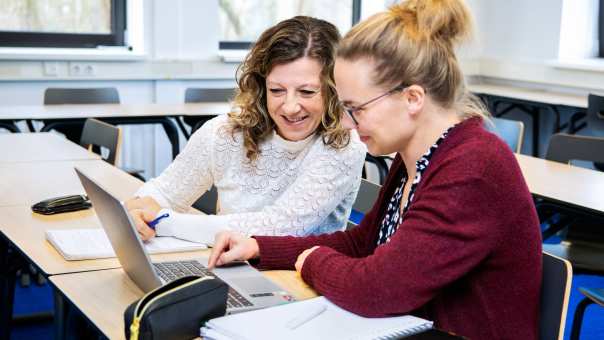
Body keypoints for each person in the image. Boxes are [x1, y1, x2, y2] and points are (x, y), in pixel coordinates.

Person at [207, 1, 542, 339]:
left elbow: (379, 288)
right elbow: (362, 243)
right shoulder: (417, 156)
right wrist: (260, 247)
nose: (349, 125)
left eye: (357, 109)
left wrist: (312, 261)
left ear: (412, 98)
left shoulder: (474, 166)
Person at [126, 16, 366, 244]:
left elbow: (280, 228)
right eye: (276, 90)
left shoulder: (343, 145)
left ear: (335, 91)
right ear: (261, 88)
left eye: (307, 92)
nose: (291, 107)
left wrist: (165, 222)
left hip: (296, 281)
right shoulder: (224, 132)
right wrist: (138, 210)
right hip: (225, 266)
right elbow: (165, 192)